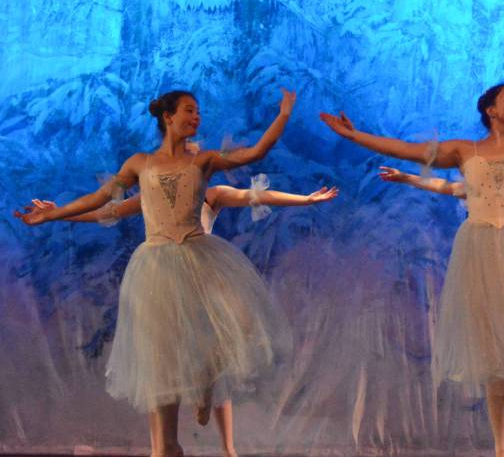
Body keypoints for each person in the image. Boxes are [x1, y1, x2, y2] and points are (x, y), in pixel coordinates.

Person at [321, 26, 504, 457]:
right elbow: (406, 148)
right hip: (481, 251)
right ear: (490, 110)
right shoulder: (465, 151)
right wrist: (354, 136)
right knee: (494, 349)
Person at [16, 89, 296, 457]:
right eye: (189, 111)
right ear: (168, 116)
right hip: (156, 264)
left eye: (198, 111)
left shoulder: (205, 160)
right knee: (161, 351)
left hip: (199, 255)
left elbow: (256, 152)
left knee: (219, 334)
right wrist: (53, 213)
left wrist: (283, 114)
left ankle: (205, 386)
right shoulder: (140, 164)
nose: (196, 117)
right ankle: (166, 446)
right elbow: (102, 201)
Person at [29, 176, 338, 457]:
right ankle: (161, 447)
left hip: (204, 282)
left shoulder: (211, 195)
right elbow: (106, 212)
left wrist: (306, 199)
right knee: (161, 364)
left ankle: (220, 429)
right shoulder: (153, 195)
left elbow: (254, 196)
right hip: (163, 284)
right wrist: (59, 212)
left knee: (220, 350)